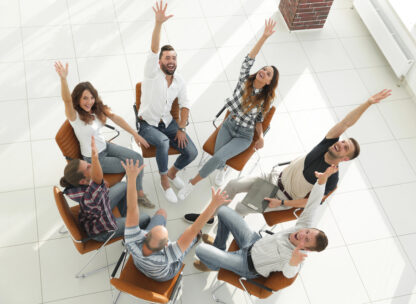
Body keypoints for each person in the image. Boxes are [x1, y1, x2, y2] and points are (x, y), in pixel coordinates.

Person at [184, 89, 392, 223]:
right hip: (274, 178)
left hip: (281, 197)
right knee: (232, 186)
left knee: (239, 209)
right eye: (342, 142)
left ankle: (218, 226)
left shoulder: (330, 178)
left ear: (345, 159)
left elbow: (309, 203)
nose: (340, 144)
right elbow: (345, 123)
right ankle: (209, 218)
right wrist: (368, 103)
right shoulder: (326, 144)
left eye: (345, 148)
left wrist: (282, 205)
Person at [178, 18, 279, 201]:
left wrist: (261, 136)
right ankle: (223, 168)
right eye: (263, 68)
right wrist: (263, 37)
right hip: (229, 124)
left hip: (244, 136)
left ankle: (191, 184)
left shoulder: (267, 100)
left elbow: (259, 120)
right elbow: (249, 59)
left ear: (269, 82)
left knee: (217, 157)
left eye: (268, 73)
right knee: (219, 157)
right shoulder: (244, 80)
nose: (263, 71)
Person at [193, 166, 337, 279]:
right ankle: (219, 247)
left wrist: (293, 262)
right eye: (307, 232)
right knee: (223, 212)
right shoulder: (302, 227)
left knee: (201, 250)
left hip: (247, 264)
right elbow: (313, 203)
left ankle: (213, 265)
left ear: (308, 249)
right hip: (253, 241)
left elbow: (289, 273)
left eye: (306, 240)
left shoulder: (294, 257)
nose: (302, 234)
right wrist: (322, 180)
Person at [54, 62, 155, 208]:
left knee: (137, 158)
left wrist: (135, 134)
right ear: (78, 99)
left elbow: (116, 118)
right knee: (132, 165)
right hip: (94, 158)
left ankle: (137, 193)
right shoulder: (75, 117)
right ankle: (133, 195)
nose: (89, 102)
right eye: (84, 99)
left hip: (105, 146)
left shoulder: (96, 109)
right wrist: (63, 79)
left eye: (91, 97)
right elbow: (66, 100)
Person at [123, 156, 230, 282]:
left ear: (146, 234)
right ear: (167, 245)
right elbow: (194, 229)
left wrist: (131, 178)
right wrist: (213, 205)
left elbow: (132, 207)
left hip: (139, 264)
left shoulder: (131, 240)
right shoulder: (168, 256)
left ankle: (188, 240)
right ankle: (195, 240)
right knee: (188, 242)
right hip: (164, 275)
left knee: (161, 213)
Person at [136, 0, 198, 203]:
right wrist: (158, 24)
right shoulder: (152, 73)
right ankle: (164, 180)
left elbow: (185, 105)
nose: (171, 61)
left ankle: (172, 172)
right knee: (162, 142)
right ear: (160, 61)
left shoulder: (179, 80)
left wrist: (181, 128)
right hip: (147, 124)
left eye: (174, 58)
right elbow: (153, 49)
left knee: (191, 152)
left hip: (168, 122)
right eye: (167, 58)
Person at [60, 137, 150, 242]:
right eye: (88, 167)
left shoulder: (74, 185)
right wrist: (94, 157)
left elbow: (98, 182)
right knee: (146, 218)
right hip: (102, 230)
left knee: (124, 186)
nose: (91, 165)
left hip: (97, 212)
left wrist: (100, 184)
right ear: (82, 181)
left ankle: (127, 218)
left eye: (88, 163)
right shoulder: (90, 196)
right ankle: (131, 239)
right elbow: (97, 180)